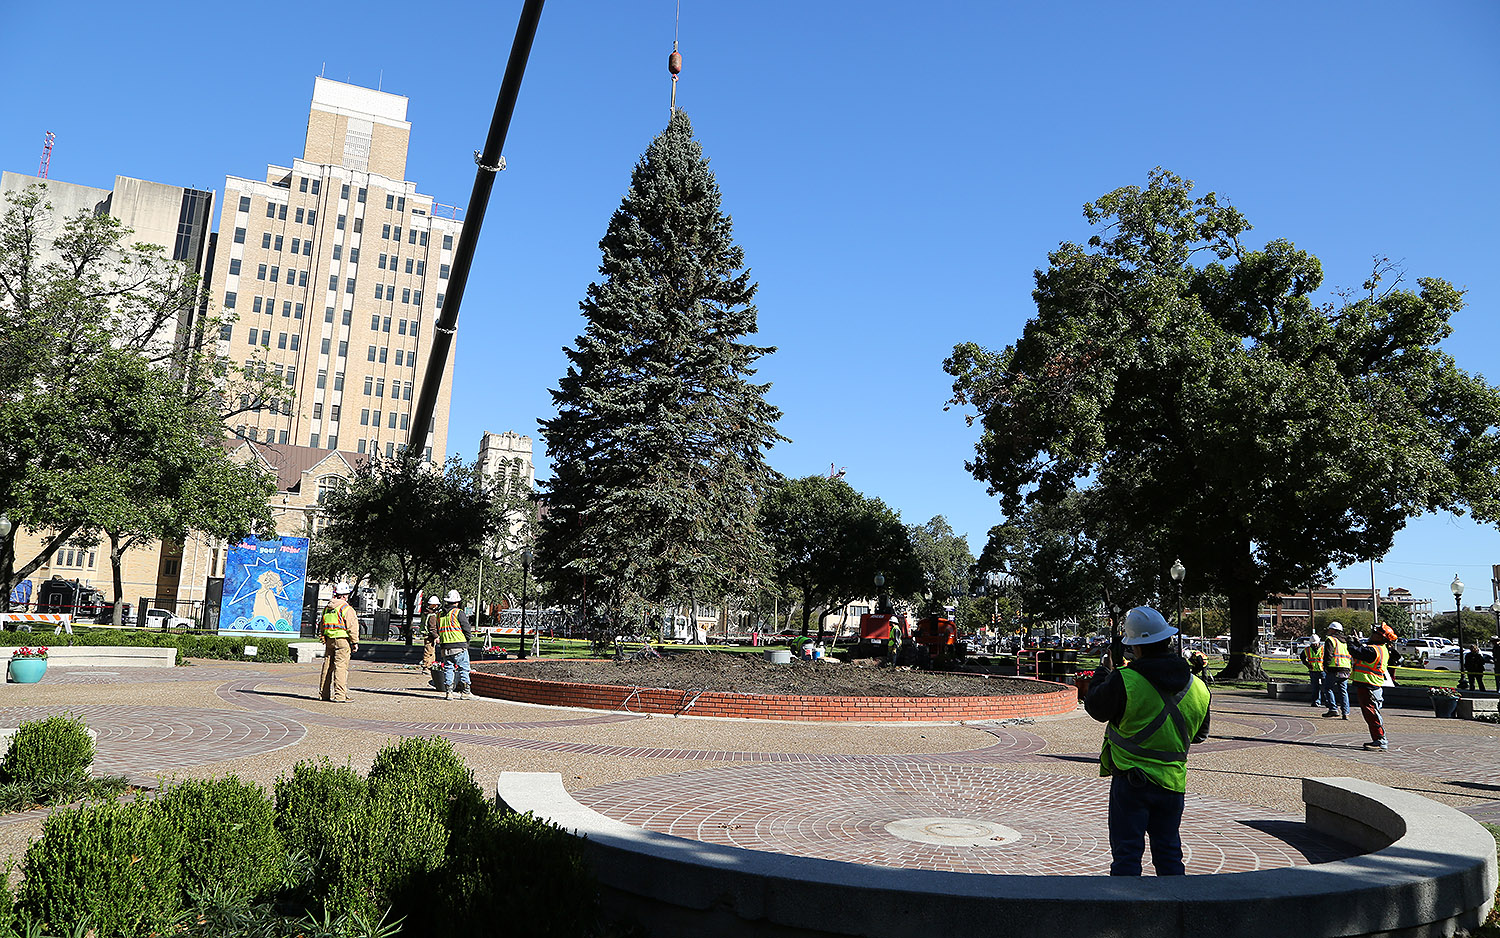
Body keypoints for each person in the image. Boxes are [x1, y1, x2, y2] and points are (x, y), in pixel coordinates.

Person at [1085, 606, 1211, 877]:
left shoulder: (1125, 680)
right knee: (1169, 855)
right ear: (1167, 640)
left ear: (1136, 648)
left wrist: (1102, 672)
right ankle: (1176, 913)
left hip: (1132, 781)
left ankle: (1128, 915)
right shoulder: (1199, 687)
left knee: (1127, 857)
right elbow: (1200, 735)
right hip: (1173, 783)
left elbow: (1096, 708)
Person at [1348, 624, 1394, 751]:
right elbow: (1362, 651)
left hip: (1370, 686)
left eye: (1375, 633)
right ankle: (1378, 739)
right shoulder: (1379, 648)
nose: (1372, 634)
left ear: (1381, 637)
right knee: (1371, 714)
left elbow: (1358, 653)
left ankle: (1380, 740)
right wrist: (1357, 643)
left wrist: (1351, 643)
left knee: (1372, 714)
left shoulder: (1374, 650)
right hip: (1369, 685)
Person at [318, 582, 360, 703]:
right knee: (341, 668)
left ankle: (323, 694)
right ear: (344, 595)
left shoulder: (327, 608)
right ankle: (340, 696)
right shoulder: (346, 608)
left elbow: (322, 624)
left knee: (327, 667)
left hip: (329, 640)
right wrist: (354, 642)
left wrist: (322, 636)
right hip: (342, 641)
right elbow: (352, 627)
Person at [432, 589, 475, 700]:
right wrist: (467, 641)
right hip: (459, 645)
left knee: (448, 668)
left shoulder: (440, 614)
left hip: (445, 646)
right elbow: (466, 629)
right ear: (457, 602)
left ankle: (449, 692)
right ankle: (466, 692)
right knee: (464, 668)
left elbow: (437, 629)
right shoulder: (458, 612)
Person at [1321, 622, 1351, 720]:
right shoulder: (1346, 641)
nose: (1328, 631)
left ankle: (1333, 709)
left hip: (1334, 668)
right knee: (1343, 691)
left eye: (1329, 629)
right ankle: (1346, 713)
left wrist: (1325, 666)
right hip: (1346, 669)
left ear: (1333, 630)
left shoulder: (1330, 639)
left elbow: (1328, 655)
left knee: (1327, 688)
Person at [1298, 638, 1328, 709]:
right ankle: (1316, 701)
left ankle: (1328, 702)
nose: (1314, 645)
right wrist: (1307, 664)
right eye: (1312, 644)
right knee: (1315, 687)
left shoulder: (1324, 649)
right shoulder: (1307, 650)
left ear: (1319, 642)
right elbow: (1302, 657)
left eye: (1315, 643)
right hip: (1313, 670)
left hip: (1323, 670)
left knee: (1326, 687)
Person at [421, 594, 442, 687]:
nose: (437, 606)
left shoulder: (425, 613)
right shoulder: (432, 616)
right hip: (430, 636)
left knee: (430, 651)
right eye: (436, 605)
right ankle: (427, 667)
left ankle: (430, 666)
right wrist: (436, 636)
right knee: (429, 652)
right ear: (433, 605)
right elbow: (432, 628)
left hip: (426, 635)